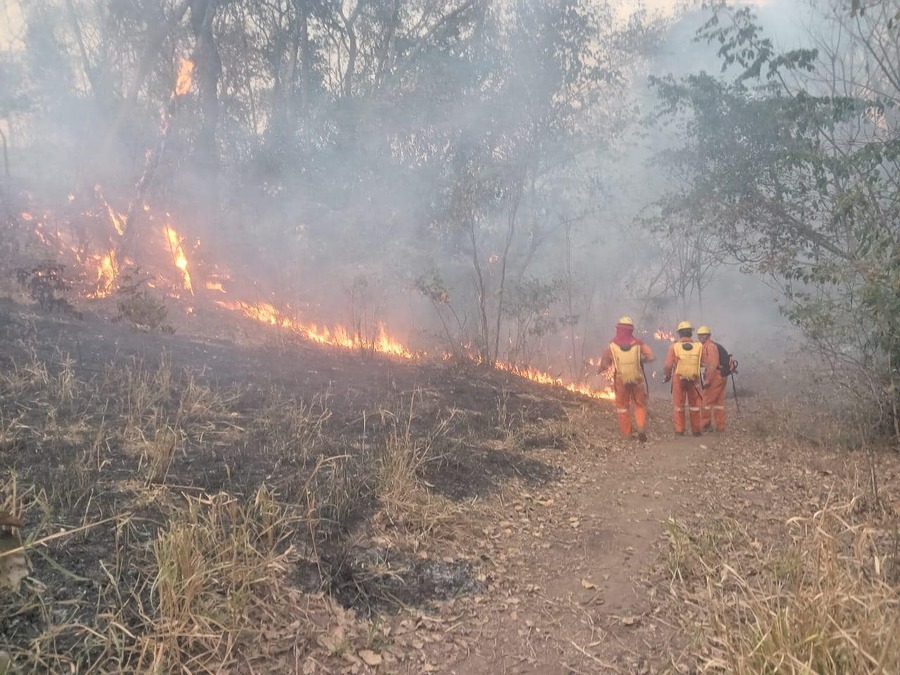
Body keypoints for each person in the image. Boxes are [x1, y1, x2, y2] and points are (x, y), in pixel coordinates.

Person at [598, 316, 655, 442]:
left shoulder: (612, 345)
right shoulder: (638, 343)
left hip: (621, 380)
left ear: (618, 329)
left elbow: (604, 363)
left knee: (623, 407)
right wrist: (640, 360)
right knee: (640, 404)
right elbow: (651, 357)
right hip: (637, 379)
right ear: (631, 330)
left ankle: (627, 433)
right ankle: (640, 428)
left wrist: (600, 370)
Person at [663, 320, 704, 437]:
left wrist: (667, 376)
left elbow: (668, 366)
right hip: (694, 379)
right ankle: (696, 430)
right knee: (695, 405)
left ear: (679, 333)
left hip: (678, 379)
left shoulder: (674, 347)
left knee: (679, 406)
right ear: (691, 333)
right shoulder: (698, 346)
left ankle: (680, 430)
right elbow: (703, 363)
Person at [697, 326, 728, 432]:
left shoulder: (710, 347)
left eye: (703, 335)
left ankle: (705, 424)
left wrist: (707, 381)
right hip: (720, 376)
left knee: (706, 401)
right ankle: (720, 426)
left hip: (715, 377)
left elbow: (712, 365)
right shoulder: (706, 346)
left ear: (708, 336)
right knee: (718, 403)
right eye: (699, 335)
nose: (701, 337)